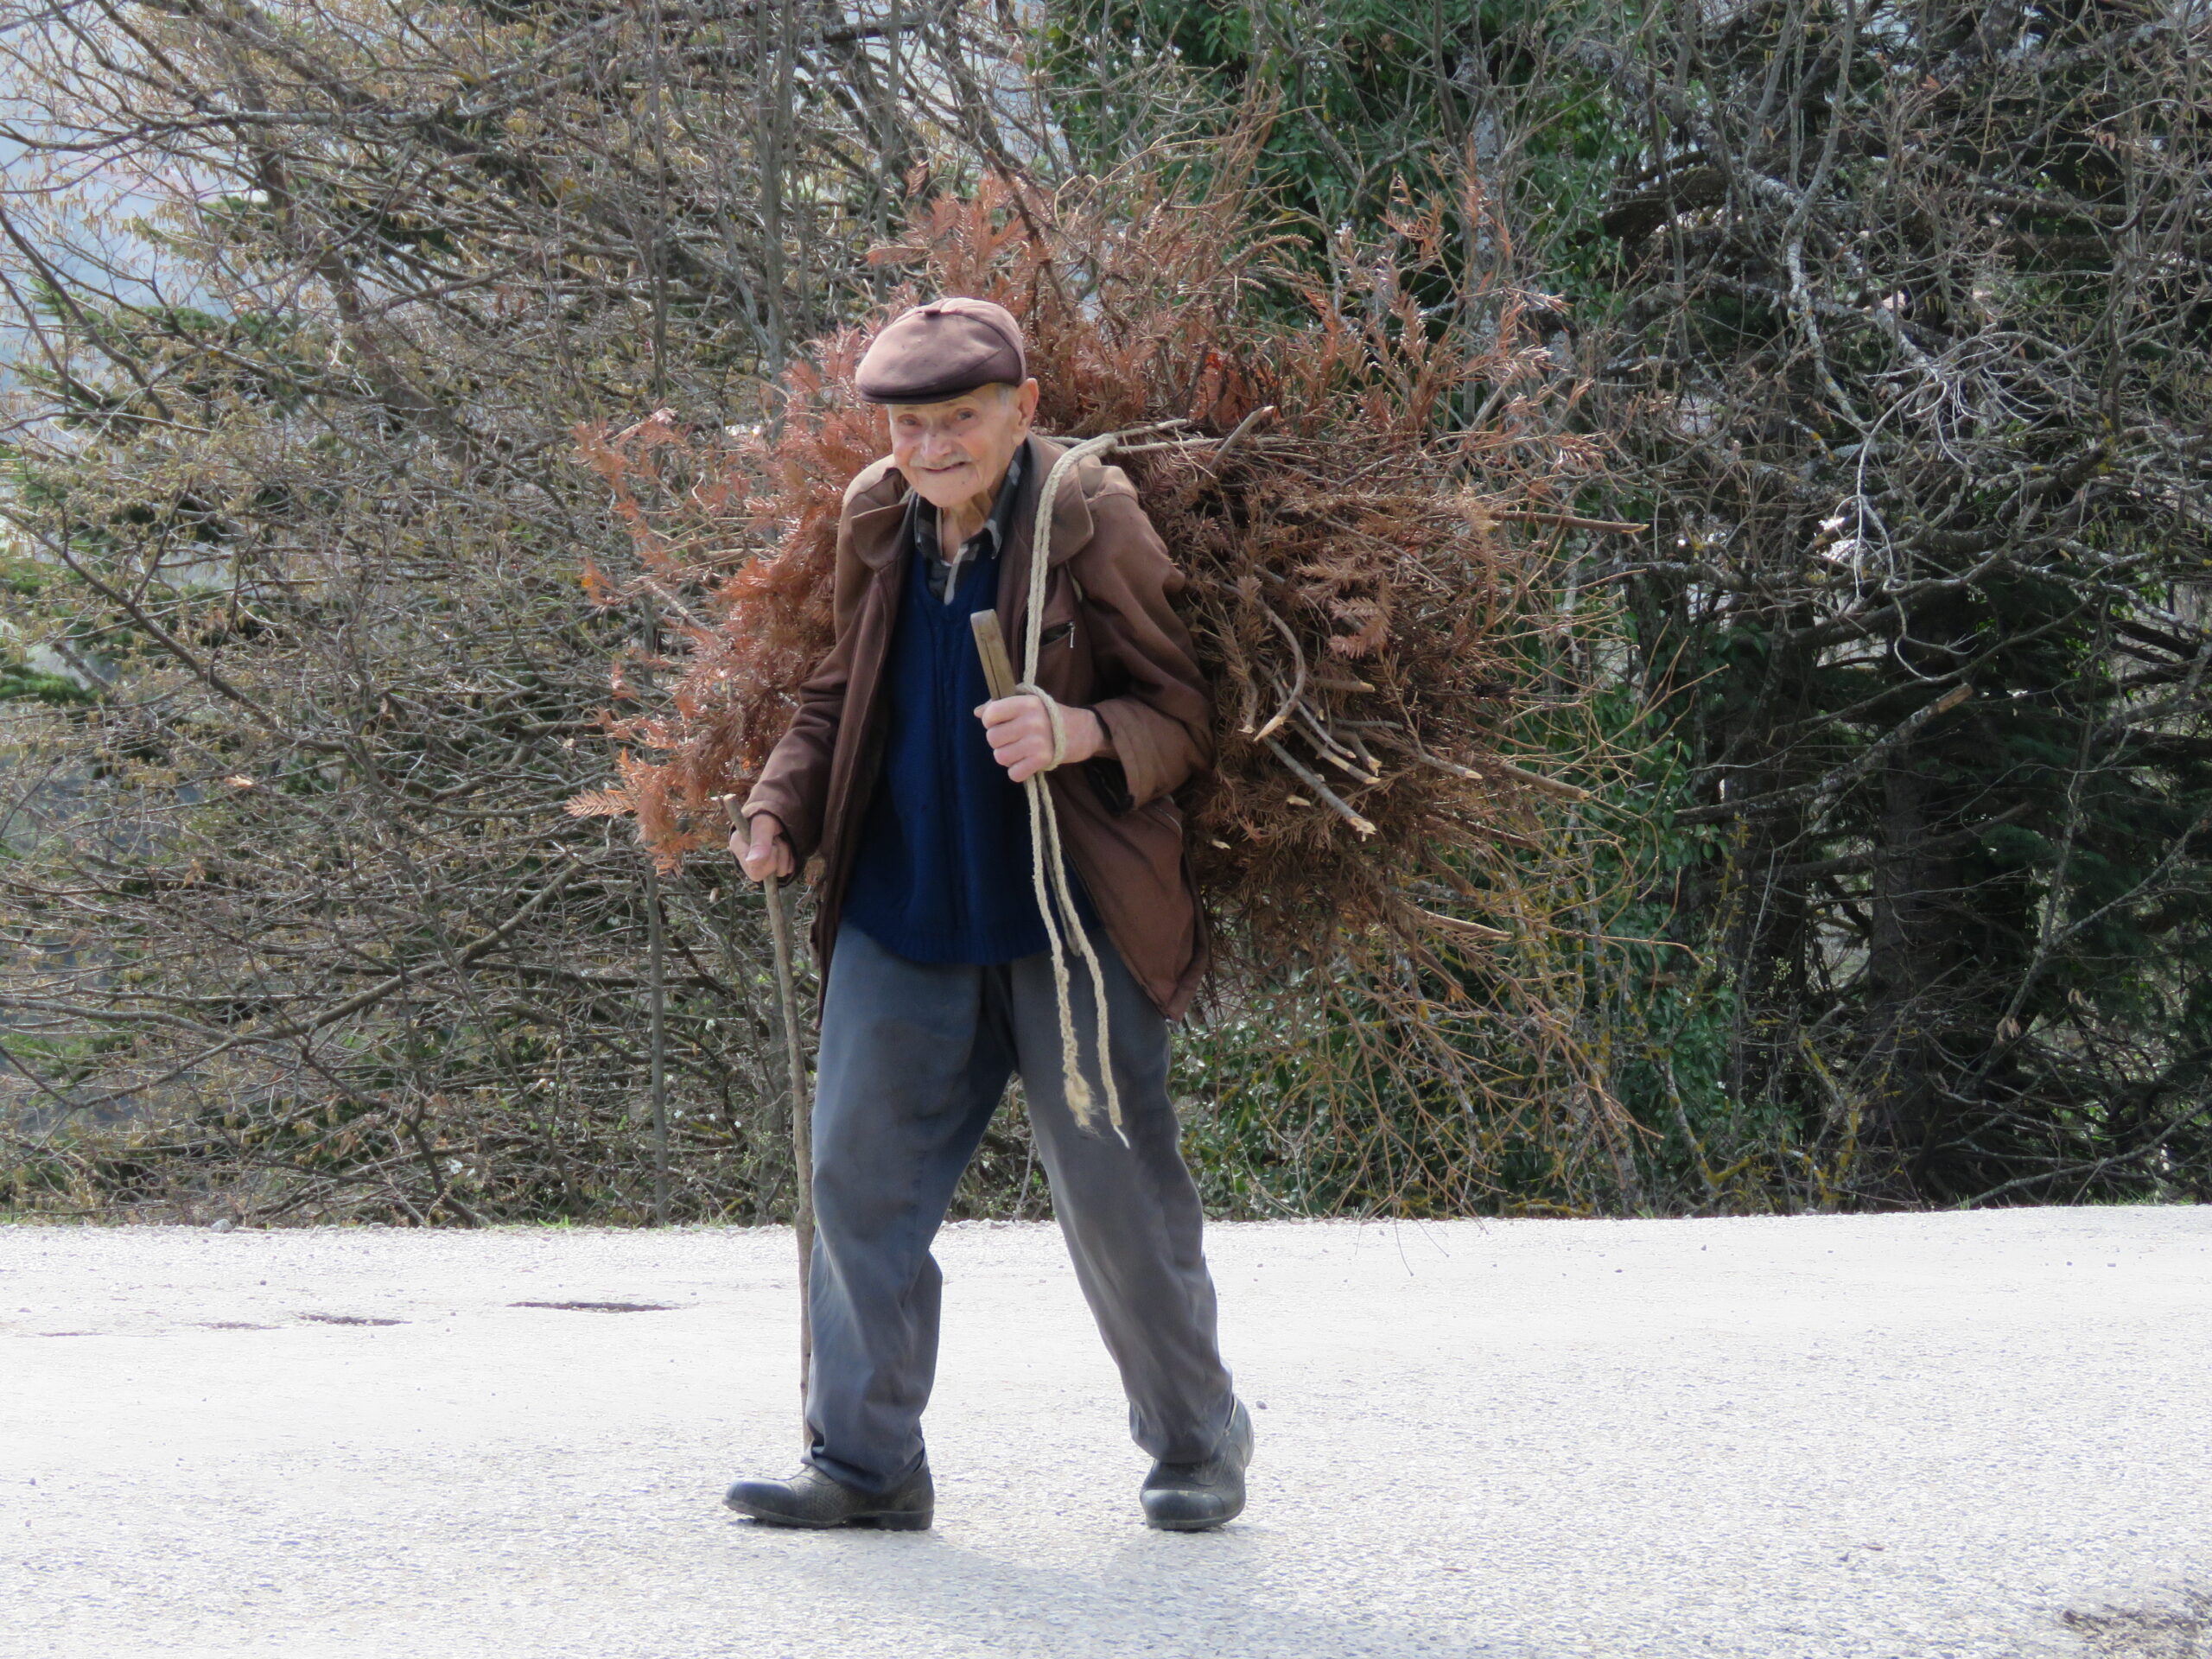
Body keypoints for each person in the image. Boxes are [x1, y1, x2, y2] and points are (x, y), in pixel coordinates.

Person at [722, 297, 1249, 1532]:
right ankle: (865, 1465)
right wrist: (778, 808)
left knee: (1118, 1202)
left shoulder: (1083, 514)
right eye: (912, 423)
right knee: (857, 1186)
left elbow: (1187, 718)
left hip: (1068, 923)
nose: (935, 444)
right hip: (903, 912)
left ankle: (1197, 1440)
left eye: (962, 417)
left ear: (1021, 408)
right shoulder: (878, 521)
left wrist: (1077, 731)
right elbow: (840, 692)